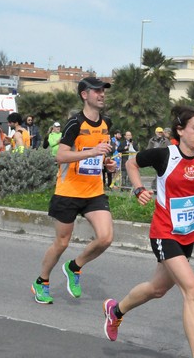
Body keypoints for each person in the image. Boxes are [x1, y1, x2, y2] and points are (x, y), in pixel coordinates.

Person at [102, 105, 194, 358]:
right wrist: (138, 189)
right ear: (180, 130)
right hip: (164, 232)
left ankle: (116, 311)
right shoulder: (164, 155)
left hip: (188, 235)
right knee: (193, 291)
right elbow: (131, 164)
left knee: (157, 289)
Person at [31, 76, 116, 304]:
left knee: (106, 238)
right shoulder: (74, 123)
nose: (101, 94)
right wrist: (91, 153)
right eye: (96, 91)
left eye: (103, 91)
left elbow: (100, 153)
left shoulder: (107, 122)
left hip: (94, 191)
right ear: (84, 95)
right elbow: (60, 156)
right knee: (61, 243)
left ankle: (74, 266)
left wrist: (107, 163)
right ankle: (42, 281)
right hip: (68, 191)